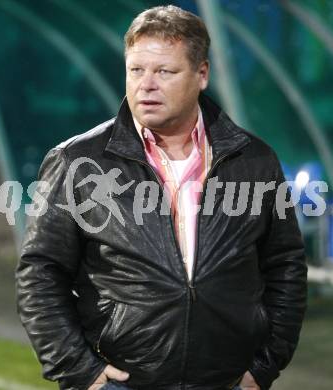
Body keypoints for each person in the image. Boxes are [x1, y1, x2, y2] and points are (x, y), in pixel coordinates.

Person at [16, 5, 307, 390]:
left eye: (164, 72)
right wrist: (79, 370)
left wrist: (266, 364)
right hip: (120, 382)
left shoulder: (254, 159)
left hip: (229, 382)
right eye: (136, 70)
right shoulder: (77, 162)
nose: (146, 84)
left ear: (202, 74)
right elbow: (39, 273)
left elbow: (285, 265)